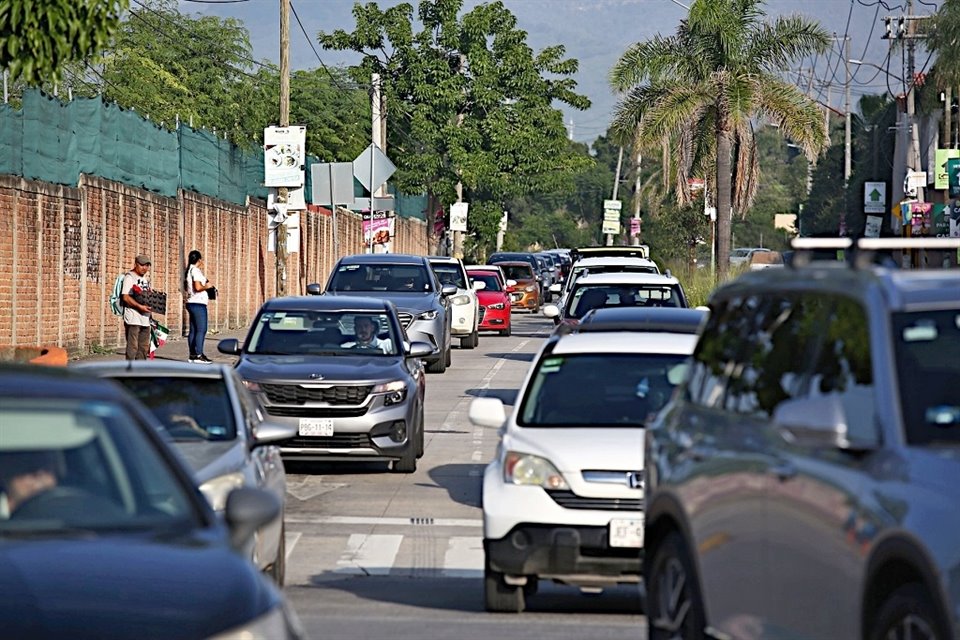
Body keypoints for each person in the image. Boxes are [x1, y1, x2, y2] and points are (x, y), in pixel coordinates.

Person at [184, 250, 216, 364]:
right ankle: (199, 355)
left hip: (191, 302)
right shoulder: (196, 271)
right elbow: (197, 287)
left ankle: (192, 355)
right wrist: (207, 286)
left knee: (193, 330)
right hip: (198, 303)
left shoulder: (189, 270)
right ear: (199, 260)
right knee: (201, 330)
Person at [121, 255, 153, 360]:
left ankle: (140, 371)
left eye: (147, 265)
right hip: (133, 318)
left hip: (145, 318)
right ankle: (129, 371)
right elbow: (125, 297)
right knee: (133, 347)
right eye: (142, 265)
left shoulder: (145, 279)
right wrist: (139, 307)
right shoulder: (129, 277)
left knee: (144, 347)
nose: (145, 268)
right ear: (136, 264)